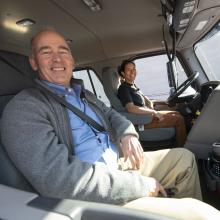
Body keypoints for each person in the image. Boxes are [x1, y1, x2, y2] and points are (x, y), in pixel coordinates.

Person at [1, 29, 220, 219]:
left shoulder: (82, 93)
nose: (57, 59)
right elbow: (61, 181)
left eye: (63, 51)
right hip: (91, 192)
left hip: (119, 163)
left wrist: (127, 132)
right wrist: (141, 185)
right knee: (204, 215)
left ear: (72, 60)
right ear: (33, 62)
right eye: (46, 52)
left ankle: (170, 209)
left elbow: (111, 113)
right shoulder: (24, 108)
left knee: (184, 158)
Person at [117, 59, 187, 147]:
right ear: (123, 73)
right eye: (128, 69)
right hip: (143, 121)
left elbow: (145, 101)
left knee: (176, 113)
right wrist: (153, 112)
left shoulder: (132, 86)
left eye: (134, 69)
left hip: (147, 116)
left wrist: (164, 103)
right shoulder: (124, 89)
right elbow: (131, 108)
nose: (132, 71)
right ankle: (184, 148)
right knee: (179, 119)